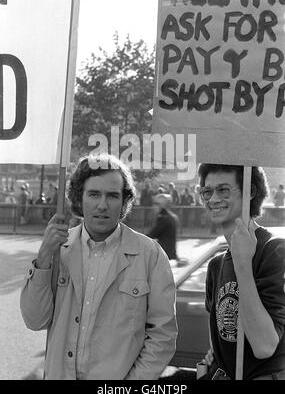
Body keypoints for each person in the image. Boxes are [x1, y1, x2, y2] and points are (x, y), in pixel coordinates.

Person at [20, 154, 177, 380]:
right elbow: (34, 320)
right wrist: (44, 257)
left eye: (112, 196)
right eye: (94, 194)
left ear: (124, 202)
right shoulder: (58, 249)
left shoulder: (149, 255)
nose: (102, 205)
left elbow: (163, 335)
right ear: (79, 198)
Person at [197, 163, 285, 380]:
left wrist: (243, 264)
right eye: (207, 192)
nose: (213, 199)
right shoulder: (216, 265)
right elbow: (221, 342)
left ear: (251, 192)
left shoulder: (275, 250)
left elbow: (265, 346)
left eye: (224, 190)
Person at [148, 193, 179, 262]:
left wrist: (137, 238)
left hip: (164, 255)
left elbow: (152, 235)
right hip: (170, 253)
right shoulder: (172, 216)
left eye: (156, 204)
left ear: (161, 205)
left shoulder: (163, 218)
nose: (153, 206)